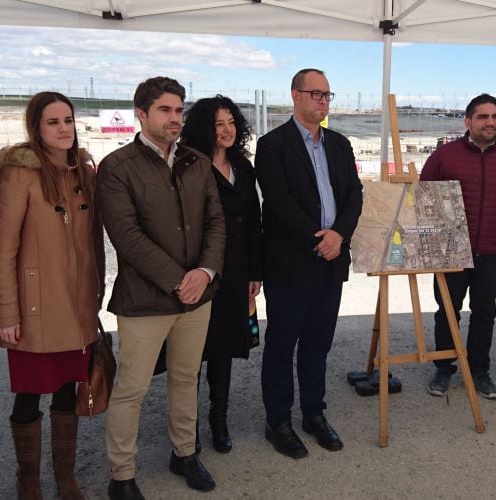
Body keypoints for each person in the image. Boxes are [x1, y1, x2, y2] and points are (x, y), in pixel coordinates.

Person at [97, 76, 225, 498]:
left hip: (196, 296)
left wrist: (204, 272)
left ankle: (184, 453)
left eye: (179, 110)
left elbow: (215, 223)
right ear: (142, 113)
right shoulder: (118, 167)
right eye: (165, 110)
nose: (175, 119)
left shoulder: (196, 161)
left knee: (186, 377)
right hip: (145, 300)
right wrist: (177, 280)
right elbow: (127, 236)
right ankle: (122, 474)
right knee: (131, 387)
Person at [0, 91, 105, 499]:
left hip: (75, 304)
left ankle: (64, 476)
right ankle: (29, 478)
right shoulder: (19, 174)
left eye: (68, 120)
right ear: (36, 127)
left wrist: (97, 293)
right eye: (53, 122)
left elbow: (94, 240)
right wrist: (6, 312)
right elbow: (2, 250)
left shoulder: (83, 172)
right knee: (28, 394)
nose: (63, 129)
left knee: (68, 391)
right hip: (34, 306)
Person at [256, 68, 363, 459]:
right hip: (292, 263)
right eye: (315, 94)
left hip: (331, 263)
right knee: (282, 346)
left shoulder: (339, 144)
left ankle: (313, 414)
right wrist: (320, 239)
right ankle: (278, 422)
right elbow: (279, 202)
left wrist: (340, 236)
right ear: (296, 95)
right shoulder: (273, 145)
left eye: (327, 95)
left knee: (318, 344)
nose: (322, 101)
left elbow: (354, 194)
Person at [419, 93, 496, 399]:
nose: (490, 122)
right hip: (450, 250)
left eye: (495, 116)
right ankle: (443, 367)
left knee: (485, 312)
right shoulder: (444, 156)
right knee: (448, 311)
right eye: (483, 117)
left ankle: (480, 371)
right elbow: (425, 196)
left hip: (492, 249)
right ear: (468, 121)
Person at [179, 95, 262, 453]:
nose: (227, 130)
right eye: (218, 124)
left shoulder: (243, 165)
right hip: (199, 268)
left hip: (237, 268)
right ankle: (189, 426)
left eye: (231, 122)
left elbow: (255, 221)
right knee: (192, 351)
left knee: (225, 347)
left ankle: (219, 418)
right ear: (203, 128)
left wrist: (255, 272)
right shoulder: (187, 164)